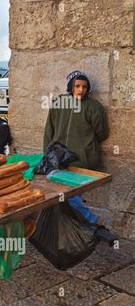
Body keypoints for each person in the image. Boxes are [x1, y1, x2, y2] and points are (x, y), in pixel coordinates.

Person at [43, 70, 115, 244]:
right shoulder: (59, 103)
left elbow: (102, 134)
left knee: (70, 194)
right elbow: (49, 130)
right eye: (77, 86)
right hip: (58, 160)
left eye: (84, 86)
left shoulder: (94, 107)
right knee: (65, 195)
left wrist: (84, 145)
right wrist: (47, 154)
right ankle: (90, 225)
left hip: (82, 160)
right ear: (71, 87)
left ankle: (88, 226)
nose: (81, 90)